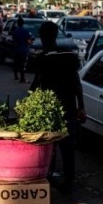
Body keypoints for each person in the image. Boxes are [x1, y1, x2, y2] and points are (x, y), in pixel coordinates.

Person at [29, 21, 86, 194]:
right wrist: (81, 106)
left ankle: (48, 176)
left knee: (48, 145)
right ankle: (69, 181)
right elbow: (77, 83)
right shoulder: (69, 55)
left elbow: (35, 84)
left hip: (49, 109)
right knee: (67, 146)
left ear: (43, 36)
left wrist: (29, 104)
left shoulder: (42, 58)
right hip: (68, 107)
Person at [12, 16, 32, 83]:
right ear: (23, 23)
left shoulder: (15, 31)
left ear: (17, 23)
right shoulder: (26, 31)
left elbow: (13, 40)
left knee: (16, 63)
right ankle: (22, 78)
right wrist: (30, 42)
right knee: (23, 64)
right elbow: (29, 40)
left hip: (16, 49)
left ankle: (16, 76)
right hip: (24, 49)